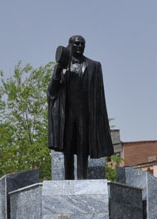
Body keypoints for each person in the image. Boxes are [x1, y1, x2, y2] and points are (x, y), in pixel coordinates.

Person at [47, 34, 114, 180]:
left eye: (82, 44)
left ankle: (83, 179)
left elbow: (99, 94)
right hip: (67, 114)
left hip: (86, 113)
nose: (80, 46)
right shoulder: (62, 66)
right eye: (76, 44)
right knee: (68, 148)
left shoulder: (94, 66)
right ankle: (68, 179)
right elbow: (52, 91)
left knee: (83, 148)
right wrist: (58, 69)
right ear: (69, 45)